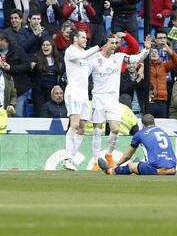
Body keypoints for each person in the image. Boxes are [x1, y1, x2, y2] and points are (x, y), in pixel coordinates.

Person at [87, 34, 150, 171]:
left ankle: (109, 155)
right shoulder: (94, 60)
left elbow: (136, 58)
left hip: (113, 99)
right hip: (98, 98)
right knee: (97, 130)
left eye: (116, 43)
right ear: (105, 44)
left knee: (115, 129)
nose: (115, 45)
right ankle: (95, 162)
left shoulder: (119, 57)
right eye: (112, 43)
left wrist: (146, 49)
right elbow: (84, 75)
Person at [62, 28, 100, 171]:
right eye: (83, 37)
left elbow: (93, 57)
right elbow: (85, 56)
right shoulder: (70, 51)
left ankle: (70, 157)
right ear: (75, 38)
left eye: (86, 37)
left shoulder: (85, 54)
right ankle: (67, 158)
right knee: (75, 125)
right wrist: (98, 46)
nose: (85, 39)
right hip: (74, 92)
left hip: (84, 94)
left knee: (82, 128)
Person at [98, 114, 177, 176]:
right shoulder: (163, 131)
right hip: (172, 170)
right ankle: (138, 168)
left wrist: (117, 164)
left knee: (130, 166)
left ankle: (110, 171)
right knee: (142, 163)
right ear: (154, 123)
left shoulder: (140, 134)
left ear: (142, 124)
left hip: (156, 169)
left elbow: (128, 155)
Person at [0, 30, 31, 117]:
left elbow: (27, 65)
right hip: (2, 90)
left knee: (18, 115)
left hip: (18, 89)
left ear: (4, 41)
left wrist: (11, 68)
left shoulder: (17, 49)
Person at [30, 39, 65, 117]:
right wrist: (31, 68)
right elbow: (30, 75)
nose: (45, 47)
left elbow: (62, 73)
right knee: (39, 113)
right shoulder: (36, 58)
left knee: (52, 113)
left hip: (53, 91)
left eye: (48, 45)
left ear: (53, 47)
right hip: (39, 92)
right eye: (43, 45)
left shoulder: (59, 59)